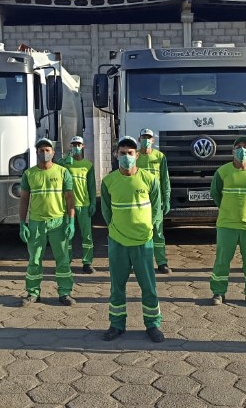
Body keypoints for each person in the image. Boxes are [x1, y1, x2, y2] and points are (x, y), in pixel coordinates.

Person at [101, 136, 164, 342]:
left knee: (148, 286)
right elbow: (107, 212)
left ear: (137, 155)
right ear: (116, 155)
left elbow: (156, 207)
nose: (126, 156)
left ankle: (153, 325)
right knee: (117, 286)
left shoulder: (149, 179)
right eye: (122, 153)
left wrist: (149, 228)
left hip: (143, 241)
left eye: (130, 153)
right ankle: (116, 324)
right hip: (118, 242)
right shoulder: (109, 181)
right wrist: (116, 230)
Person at [209, 136, 246, 307]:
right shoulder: (222, 172)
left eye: (245, 147)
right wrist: (228, 208)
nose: (242, 150)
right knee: (222, 260)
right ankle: (218, 292)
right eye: (238, 147)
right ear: (233, 151)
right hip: (227, 224)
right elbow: (215, 194)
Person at [19, 138, 76, 306]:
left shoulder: (62, 172)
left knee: (63, 259)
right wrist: (22, 223)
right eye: (41, 150)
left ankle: (65, 292)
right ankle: (33, 293)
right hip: (36, 224)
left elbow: (70, 199)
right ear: (36, 153)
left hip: (58, 223)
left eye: (47, 150)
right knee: (34, 259)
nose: (44, 153)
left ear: (53, 152)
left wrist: (71, 221)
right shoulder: (29, 174)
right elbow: (23, 200)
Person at [57, 135, 97, 274]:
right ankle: (66, 262)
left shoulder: (88, 165)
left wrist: (93, 202)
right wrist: (63, 161)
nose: (76, 147)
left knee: (87, 236)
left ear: (83, 146)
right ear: (70, 147)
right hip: (67, 205)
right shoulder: (66, 163)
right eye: (73, 145)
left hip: (84, 204)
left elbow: (91, 186)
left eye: (78, 145)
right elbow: (55, 169)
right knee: (67, 235)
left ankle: (87, 262)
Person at [136, 128, 172, 274]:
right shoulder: (135, 156)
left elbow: (165, 178)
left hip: (156, 201)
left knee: (158, 232)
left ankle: (162, 262)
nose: (146, 140)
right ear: (139, 140)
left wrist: (167, 197)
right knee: (140, 230)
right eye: (143, 137)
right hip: (139, 200)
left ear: (153, 140)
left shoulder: (160, 156)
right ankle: (141, 261)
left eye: (148, 137)